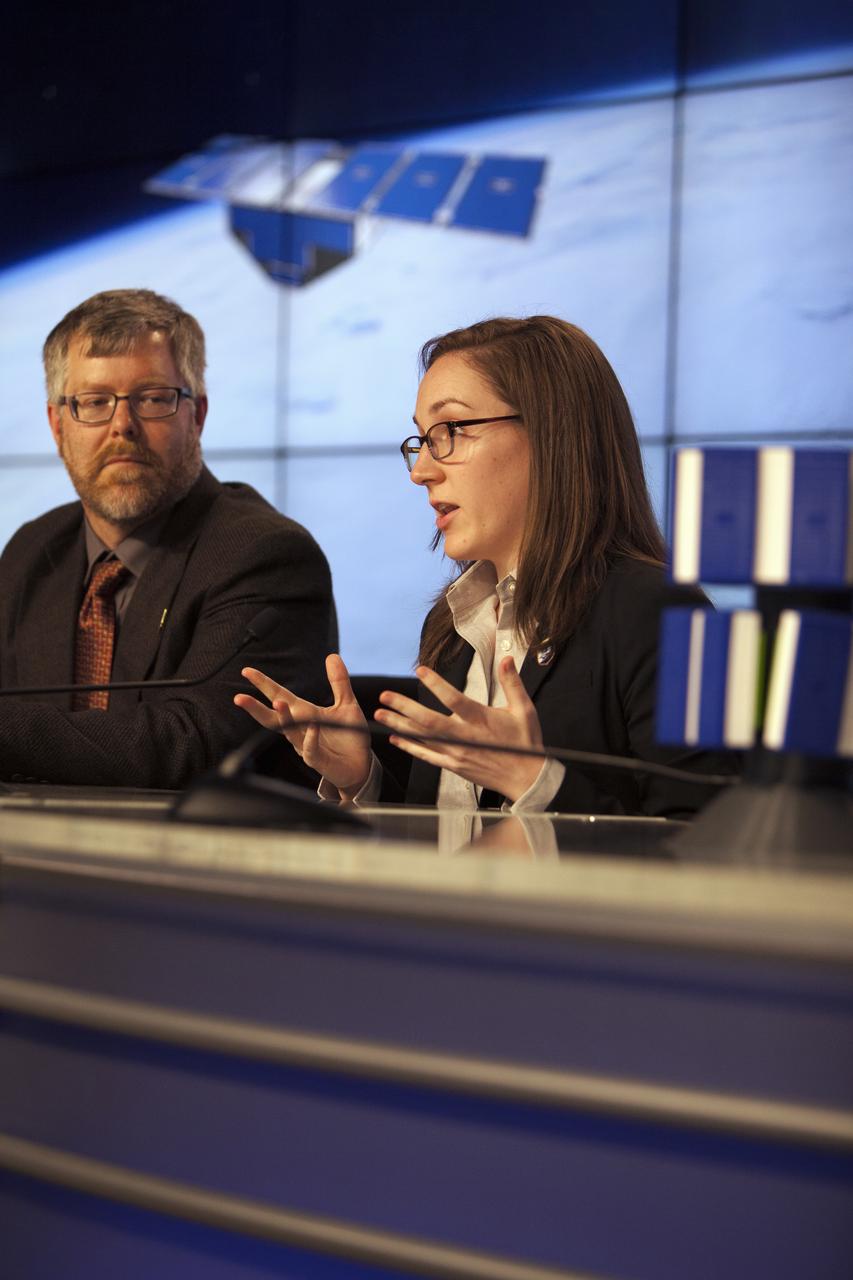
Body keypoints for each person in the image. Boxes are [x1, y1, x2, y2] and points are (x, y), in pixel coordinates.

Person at [236, 316, 723, 817]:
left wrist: (534, 781)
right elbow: (450, 843)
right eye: (421, 440)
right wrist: (365, 780)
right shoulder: (451, 628)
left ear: (550, 433)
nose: (422, 470)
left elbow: (707, 849)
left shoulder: (661, 612)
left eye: (450, 431)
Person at [0, 288, 336, 789]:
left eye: (152, 399)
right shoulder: (31, 551)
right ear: (57, 426)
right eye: (94, 403)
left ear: (197, 415)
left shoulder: (266, 555)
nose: (122, 427)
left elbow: (196, 746)